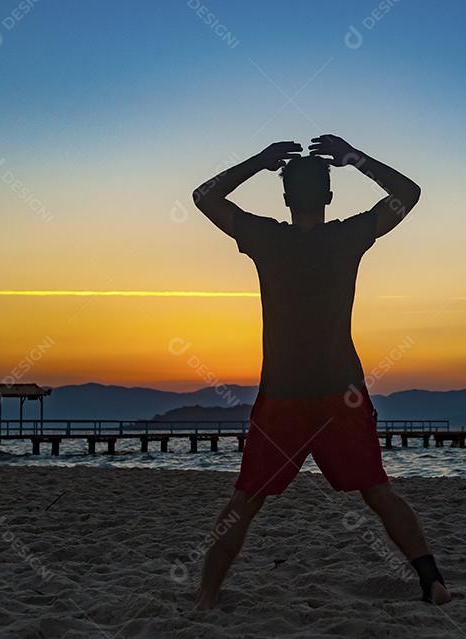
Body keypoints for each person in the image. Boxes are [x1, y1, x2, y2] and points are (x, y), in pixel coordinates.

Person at [191, 135, 449, 609]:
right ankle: (432, 580)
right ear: (329, 196)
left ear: (286, 197)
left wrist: (259, 160)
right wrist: (357, 158)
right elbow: (408, 193)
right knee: (378, 490)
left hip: (284, 393)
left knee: (246, 500)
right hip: (341, 391)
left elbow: (204, 196)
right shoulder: (346, 237)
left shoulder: (266, 239)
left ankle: (207, 596)